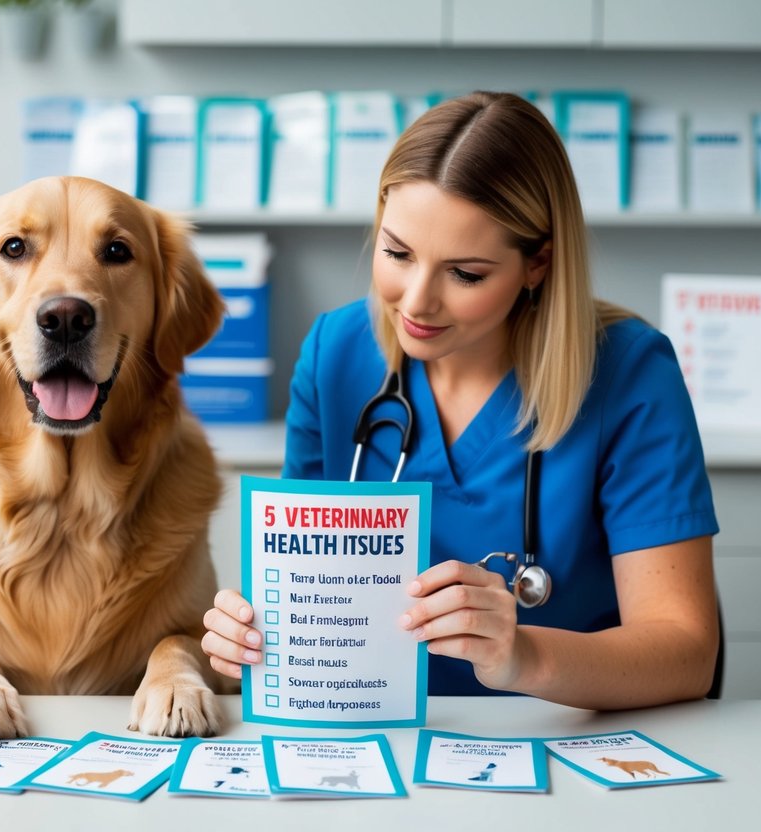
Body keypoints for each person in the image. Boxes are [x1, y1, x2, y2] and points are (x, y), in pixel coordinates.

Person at [201, 91, 720, 710]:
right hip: (375, 736)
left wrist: (521, 656)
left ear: (538, 263)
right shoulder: (334, 354)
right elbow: (305, 591)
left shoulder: (631, 374)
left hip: (560, 740)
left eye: (465, 274)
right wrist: (256, 639)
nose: (416, 301)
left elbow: (686, 651)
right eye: (397, 253)